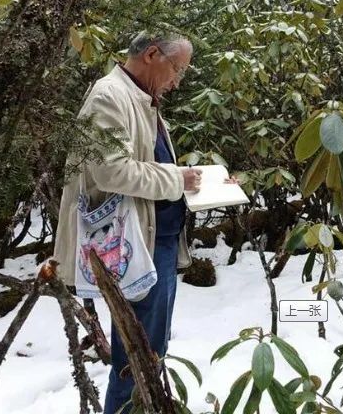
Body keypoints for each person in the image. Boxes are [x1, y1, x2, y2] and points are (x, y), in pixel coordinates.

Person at [54, 30, 202, 414]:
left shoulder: (139, 97)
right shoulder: (110, 96)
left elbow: (147, 165)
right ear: (152, 54)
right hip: (136, 248)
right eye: (177, 69)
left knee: (149, 347)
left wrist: (200, 183)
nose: (177, 81)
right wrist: (176, 179)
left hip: (155, 244)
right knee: (137, 354)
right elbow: (111, 171)